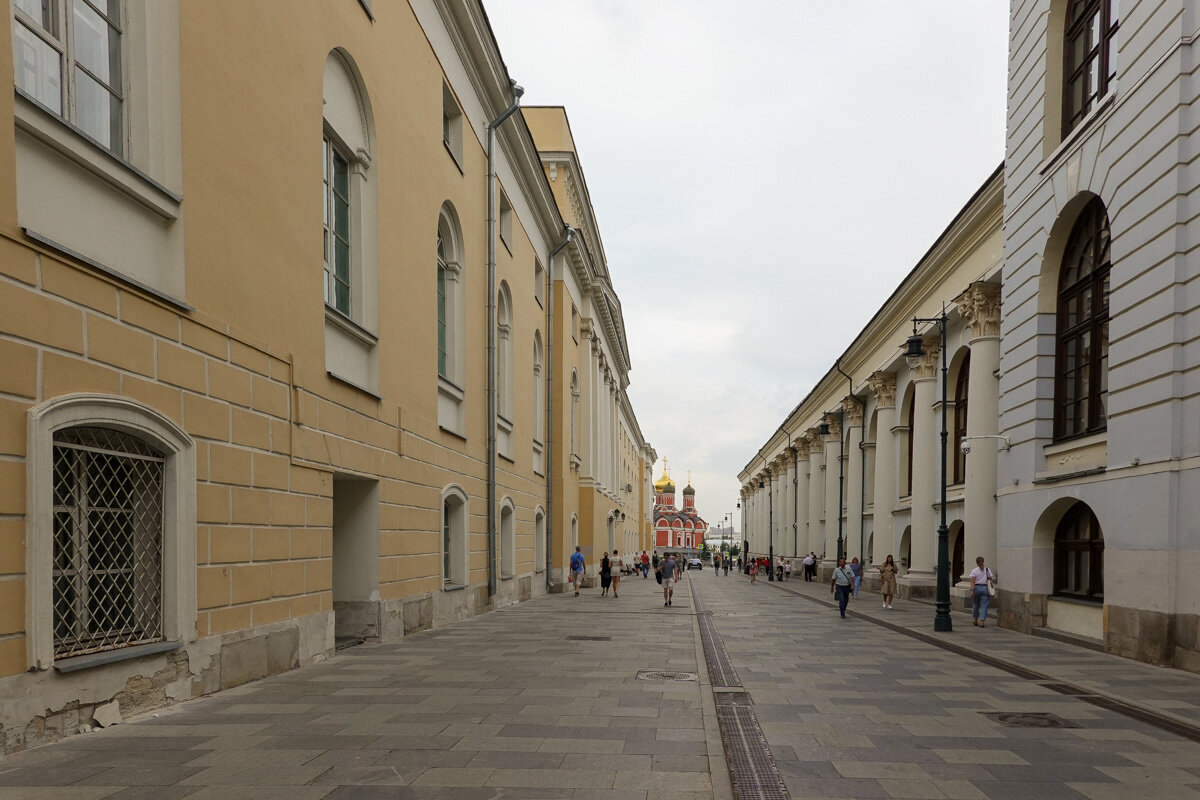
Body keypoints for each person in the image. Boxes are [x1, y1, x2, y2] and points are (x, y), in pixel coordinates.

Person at [969, 556, 993, 627]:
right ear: (983, 561)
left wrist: (971, 590)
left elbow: (973, 582)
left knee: (976, 604)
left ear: (976, 563)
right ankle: (982, 621)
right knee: (984, 605)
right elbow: (990, 579)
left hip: (977, 588)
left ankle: (975, 619)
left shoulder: (974, 571)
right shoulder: (987, 570)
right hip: (985, 588)